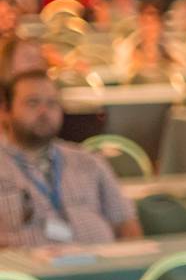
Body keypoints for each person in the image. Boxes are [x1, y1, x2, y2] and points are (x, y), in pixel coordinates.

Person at [0, 70, 142, 246]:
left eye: (52, 104)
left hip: (100, 266)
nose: (44, 111)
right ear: (5, 111)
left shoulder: (88, 161)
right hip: (26, 271)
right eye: (32, 103)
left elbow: (126, 224)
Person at [115, 0, 183, 83]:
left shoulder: (173, 47)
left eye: (154, 22)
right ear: (139, 22)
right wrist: (134, 66)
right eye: (145, 22)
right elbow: (119, 75)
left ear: (161, 24)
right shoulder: (126, 47)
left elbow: (184, 73)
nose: (149, 27)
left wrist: (168, 62)